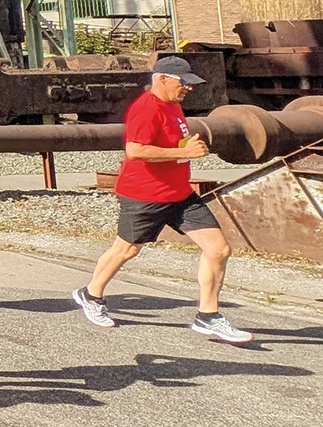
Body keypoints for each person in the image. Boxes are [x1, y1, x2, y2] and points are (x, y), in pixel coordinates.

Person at [72, 56, 252, 344]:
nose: (188, 89)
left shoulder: (173, 104)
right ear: (162, 79)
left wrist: (187, 146)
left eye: (190, 84)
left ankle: (208, 316)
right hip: (144, 195)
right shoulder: (146, 109)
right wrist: (184, 154)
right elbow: (136, 151)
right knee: (126, 250)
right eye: (184, 83)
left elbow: (168, 143)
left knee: (218, 249)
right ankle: (91, 294)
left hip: (179, 194)